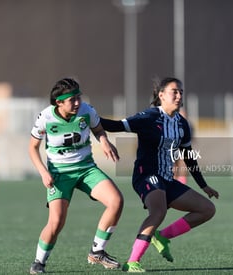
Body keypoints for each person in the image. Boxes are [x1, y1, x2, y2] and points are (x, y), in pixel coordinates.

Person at [100, 77, 219, 272]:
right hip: (146, 175)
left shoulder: (182, 124)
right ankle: (132, 262)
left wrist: (203, 185)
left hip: (166, 179)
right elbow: (115, 126)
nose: (179, 95)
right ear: (161, 95)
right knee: (158, 212)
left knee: (207, 209)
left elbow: (188, 156)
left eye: (181, 91)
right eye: (175, 91)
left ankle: (162, 236)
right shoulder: (149, 117)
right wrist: (90, 117)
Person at [28, 78, 124, 274]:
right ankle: (39, 262)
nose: (78, 102)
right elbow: (32, 148)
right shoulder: (46, 117)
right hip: (59, 174)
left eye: (79, 97)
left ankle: (97, 251)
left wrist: (104, 141)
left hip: (87, 169)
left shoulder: (87, 110)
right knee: (56, 222)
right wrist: (43, 173)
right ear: (59, 103)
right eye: (73, 99)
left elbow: (98, 130)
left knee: (116, 201)